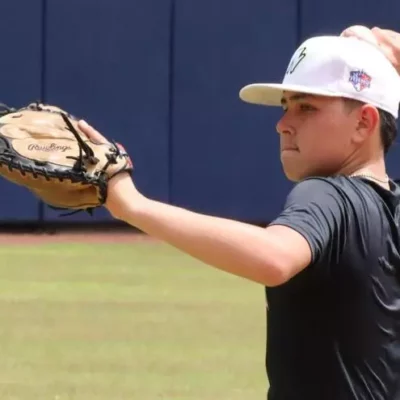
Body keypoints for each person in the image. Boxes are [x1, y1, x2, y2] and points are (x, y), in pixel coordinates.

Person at [78, 27, 400, 400]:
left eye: (306, 107)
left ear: (364, 123)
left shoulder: (327, 195)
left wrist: (132, 205)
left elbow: (274, 257)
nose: (283, 124)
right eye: (286, 106)